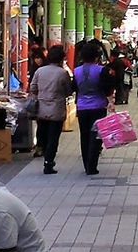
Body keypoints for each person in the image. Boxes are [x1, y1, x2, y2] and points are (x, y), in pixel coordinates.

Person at [72, 41, 116, 175]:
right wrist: (110, 102)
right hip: (98, 107)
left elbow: (74, 88)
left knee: (84, 135)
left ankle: (86, 164)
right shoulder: (101, 70)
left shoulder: (76, 71)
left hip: (82, 107)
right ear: (97, 57)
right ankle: (92, 165)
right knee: (96, 136)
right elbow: (106, 88)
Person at [29, 45, 73, 174]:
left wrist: (41, 95)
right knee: (54, 137)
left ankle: (41, 149)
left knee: (43, 133)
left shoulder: (40, 71)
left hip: (42, 109)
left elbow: (33, 88)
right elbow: (68, 91)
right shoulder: (62, 73)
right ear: (61, 59)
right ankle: (49, 162)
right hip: (57, 110)